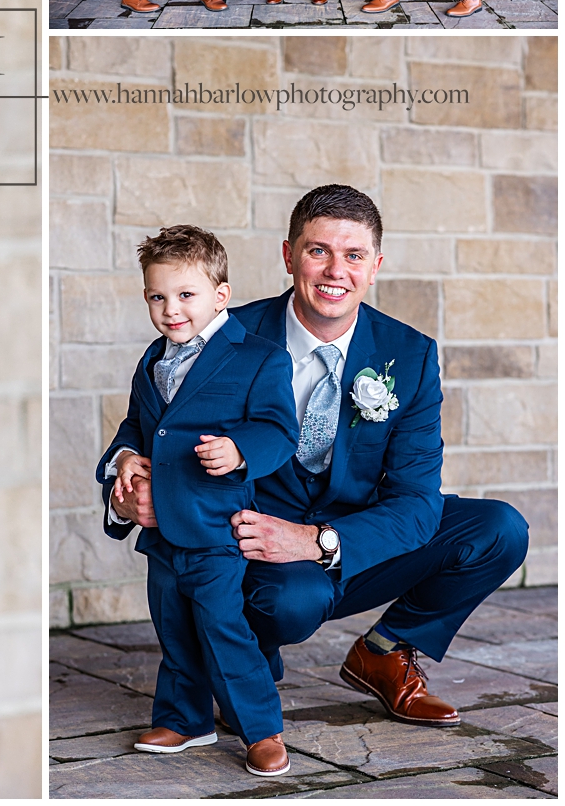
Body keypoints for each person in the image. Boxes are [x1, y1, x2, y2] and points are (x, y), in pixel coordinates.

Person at [112, 185, 530, 734]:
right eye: (318, 251)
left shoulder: (409, 355)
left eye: (353, 255)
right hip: (251, 547)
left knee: (498, 528)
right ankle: (241, 655)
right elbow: (146, 425)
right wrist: (125, 478)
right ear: (289, 256)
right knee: (292, 601)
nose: (336, 270)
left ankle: (384, 651)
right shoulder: (219, 332)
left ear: (375, 266)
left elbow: (415, 500)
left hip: (349, 538)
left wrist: (319, 541)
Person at [97, 225, 298, 777]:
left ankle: (261, 728)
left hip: (214, 530)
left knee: (222, 629)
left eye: (185, 295)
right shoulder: (152, 360)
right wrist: (123, 459)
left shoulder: (258, 357)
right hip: (161, 533)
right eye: (157, 297)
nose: (171, 309)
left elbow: (281, 432)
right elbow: (137, 426)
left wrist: (239, 451)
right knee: (173, 629)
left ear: (220, 295)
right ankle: (185, 719)